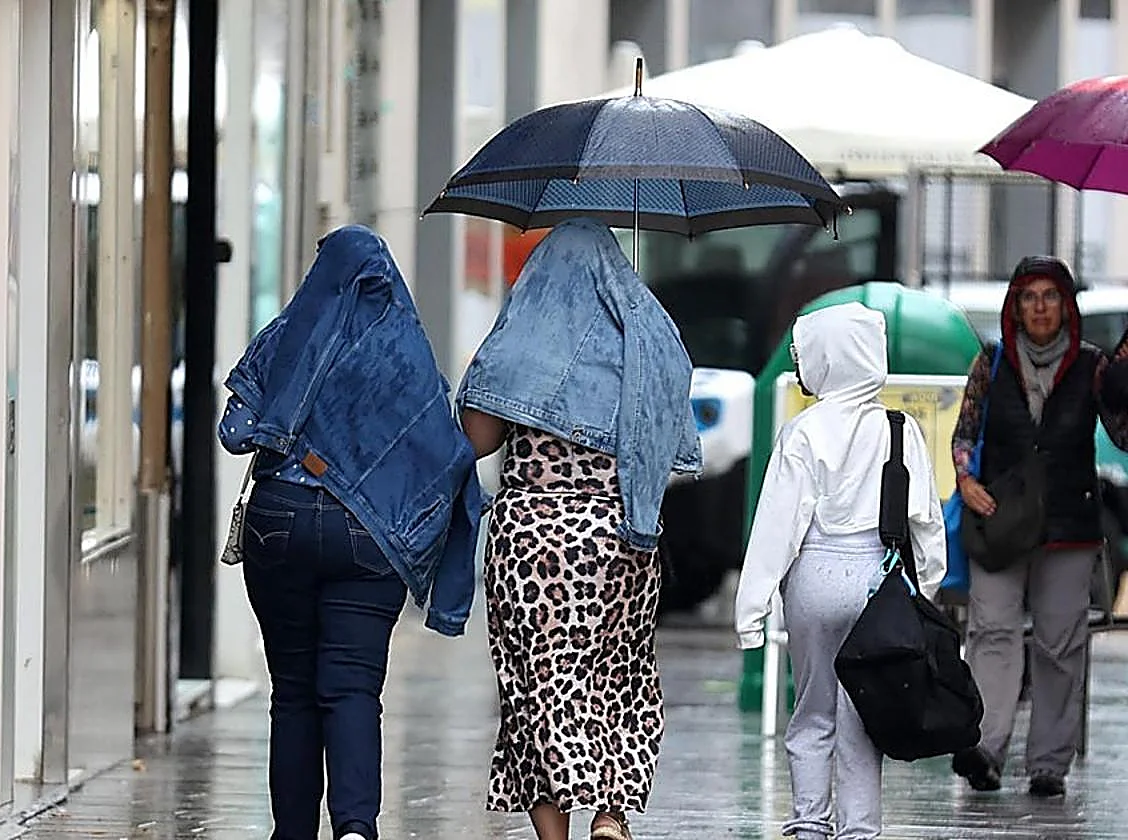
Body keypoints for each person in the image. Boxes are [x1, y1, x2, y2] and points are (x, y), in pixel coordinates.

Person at [217, 225, 483, 840]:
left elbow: (235, 432)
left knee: (292, 691)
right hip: (372, 538)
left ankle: (292, 833)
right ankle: (357, 830)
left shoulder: (288, 336)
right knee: (354, 689)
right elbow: (443, 452)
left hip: (278, 522)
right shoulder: (408, 351)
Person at [457, 218, 702, 840]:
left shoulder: (520, 342)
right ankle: (611, 817)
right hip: (621, 535)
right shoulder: (650, 336)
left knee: (536, 689)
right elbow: (664, 446)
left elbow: (475, 443)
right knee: (617, 676)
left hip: (531, 541)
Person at [735, 302, 946, 840]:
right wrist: (929, 587)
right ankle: (860, 829)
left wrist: (751, 609)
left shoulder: (803, 433)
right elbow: (925, 521)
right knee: (862, 716)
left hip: (813, 575)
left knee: (812, 710)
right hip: (877, 580)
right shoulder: (900, 430)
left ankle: (809, 822)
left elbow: (778, 525)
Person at [950, 256, 1128, 798]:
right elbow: (966, 431)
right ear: (1015, 306)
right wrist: (963, 478)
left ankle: (1049, 762)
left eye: (1051, 296)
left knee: (1060, 642)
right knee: (992, 631)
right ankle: (985, 746)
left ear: (1067, 306)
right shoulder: (992, 360)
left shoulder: (1094, 366)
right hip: (999, 520)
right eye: (1029, 297)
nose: (1041, 307)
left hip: (1069, 522)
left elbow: (1121, 435)